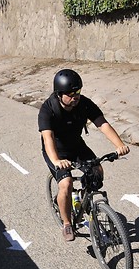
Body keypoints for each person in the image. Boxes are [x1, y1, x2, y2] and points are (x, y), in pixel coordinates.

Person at [38, 69, 130, 241]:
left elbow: (102, 124)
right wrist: (57, 160)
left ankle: (84, 199)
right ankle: (67, 223)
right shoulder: (48, 109)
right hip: (56, 151)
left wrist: (120, 145)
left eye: (78, 92)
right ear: (59, 94)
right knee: (66, 184)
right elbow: (47, 137)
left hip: (76, 146)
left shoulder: (84, 104)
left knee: (97, 171)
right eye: (71, 94)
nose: (75, 97)